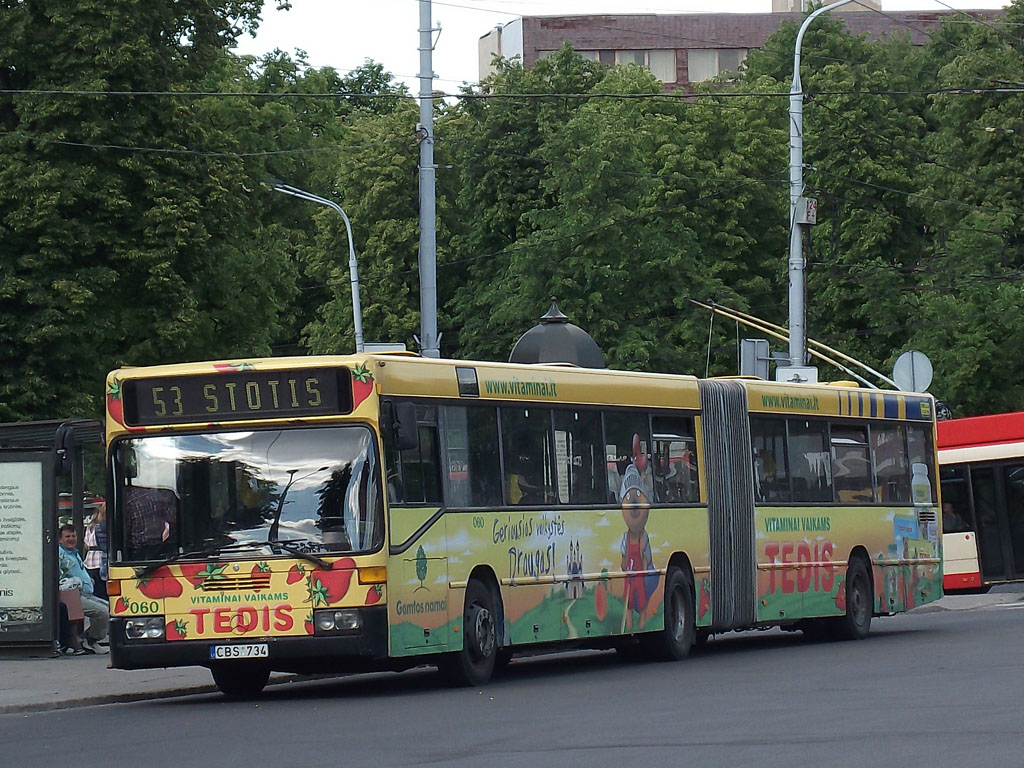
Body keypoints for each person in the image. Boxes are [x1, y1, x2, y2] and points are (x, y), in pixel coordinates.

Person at [58, 524, 109, 654]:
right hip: (73, 596)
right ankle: (90, 639)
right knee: (103, 612)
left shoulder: (74, 552)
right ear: (60, 539)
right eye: (67, 536)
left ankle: (85, 639)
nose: (71, 539)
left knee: (111, 609)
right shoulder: (60, 554)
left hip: (86, 594)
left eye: (73, 536)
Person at [125, 485, 177, 557]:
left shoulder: (124, 501)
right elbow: (173, 519)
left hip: (136, 553)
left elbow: (122, 533)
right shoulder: (157, 494)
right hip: (162, 548)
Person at [83, 501, 108, 600]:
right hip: (101, 560)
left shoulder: (90, 527)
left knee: (96, 591)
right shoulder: (103, 526)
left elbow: (86, 544)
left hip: (89, 561)